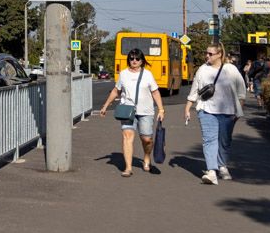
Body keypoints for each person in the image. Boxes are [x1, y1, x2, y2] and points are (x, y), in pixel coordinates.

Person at [184, 43, 247, 185]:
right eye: (206, 53)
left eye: (210, 54)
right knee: (209, 140)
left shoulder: (230, 69)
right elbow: (195, 90)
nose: (207, 56)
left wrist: (239, 110)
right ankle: (211, 171)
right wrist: (188, 107)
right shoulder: (202, 69)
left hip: (228, 111)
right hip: (207, 110)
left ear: (219, 54)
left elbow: (241, 91)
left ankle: (222, 165)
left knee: (224, 141)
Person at [98, 48, 167, 177]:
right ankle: (128, 167)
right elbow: (116, 91)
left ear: (142, 61)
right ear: (128, 59)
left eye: (137, 58)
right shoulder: (123, 74)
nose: (134, 61)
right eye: (131, 58)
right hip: (127, 110)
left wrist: (161, 109)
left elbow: (155, 92)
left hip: (146, 111)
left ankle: (147, 156)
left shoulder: (147, 74)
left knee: (147, 139)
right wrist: (105, 105)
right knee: (127, 136)